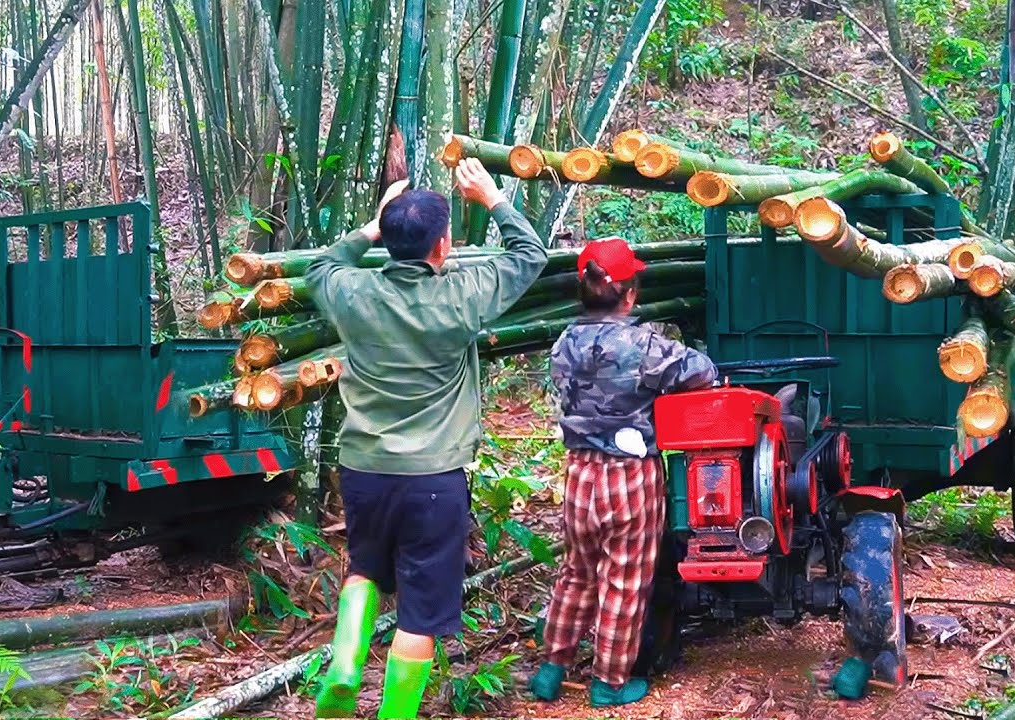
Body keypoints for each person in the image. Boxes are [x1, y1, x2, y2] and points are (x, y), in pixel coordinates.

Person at [304, 159, 548, 719]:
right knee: (420, 611)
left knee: (364, 568)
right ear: (443, 244)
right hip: (434, 478)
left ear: (389, 240)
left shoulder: (353, 292)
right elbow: (528, 256)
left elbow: (322, 264)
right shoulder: (462, 295)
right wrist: (493, 198)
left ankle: (345, 666)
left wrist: (372, 226)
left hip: (364, 469)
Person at [528, 237, 718, 707]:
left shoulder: (563, 343)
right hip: (629, 476)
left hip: (579, 474)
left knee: (576, 572)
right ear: (630, 295)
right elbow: (702, 370)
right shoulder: (644, 345)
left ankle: (551, 670)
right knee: (624, 581)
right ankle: (609, 682)